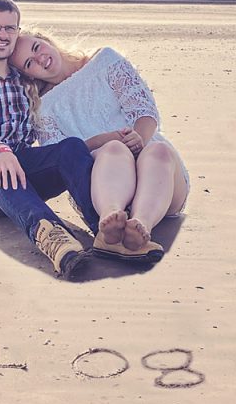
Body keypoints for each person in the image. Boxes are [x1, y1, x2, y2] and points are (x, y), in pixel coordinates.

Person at [0, 0, 100, 279]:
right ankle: (55, 241)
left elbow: (64, 82)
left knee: (70, 149)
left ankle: (105, 229)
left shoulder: (25, 80)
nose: (2, 35)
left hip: (21, 174)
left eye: (9, 28)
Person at [10, 30, 189, 262]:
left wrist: (139, 138)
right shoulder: (43, 108)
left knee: (158, 150)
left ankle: (140, 224)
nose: (40, 59)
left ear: (44, 39)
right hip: (106, 183)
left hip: (161, 178)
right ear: (27, 75)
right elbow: (60, 156)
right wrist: (105, 140)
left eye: (36, 47)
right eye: (29, 63)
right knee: (112, 150)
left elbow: (144, 109)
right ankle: (110, 220)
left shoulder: (105, 61)